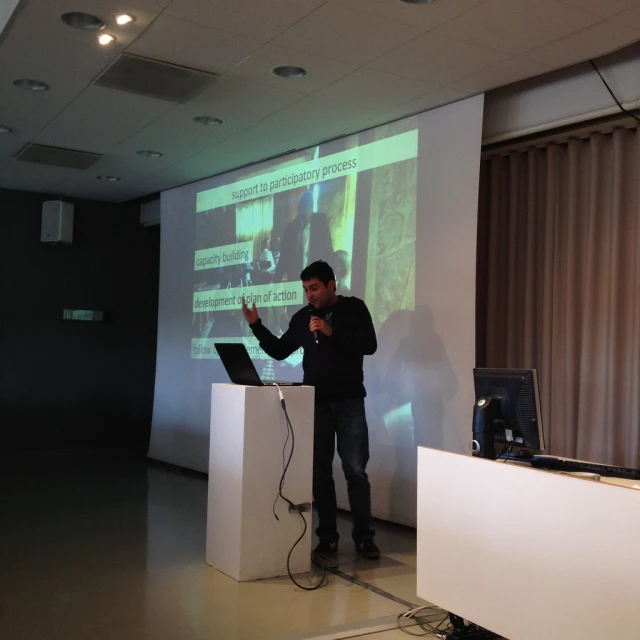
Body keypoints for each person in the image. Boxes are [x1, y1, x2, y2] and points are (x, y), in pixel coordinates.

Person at [241, 260, 380, 561]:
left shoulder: (354, 309)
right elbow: (280, 350)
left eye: (314, 288)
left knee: (355, 471)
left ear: (332, 284)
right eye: (305, 289)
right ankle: (327, 538)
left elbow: (369, 345)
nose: (310, 295)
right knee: (320, 473)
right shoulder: (303, 317)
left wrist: (331, 331)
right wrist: (256, 325)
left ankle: (364, 539)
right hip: (315, 402)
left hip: (349, 403)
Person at [274, 190, 334, 283]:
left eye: (308, 206)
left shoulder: (320, 225)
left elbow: (328, 252)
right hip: (296, 281)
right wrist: (275, 284)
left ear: (311, 207)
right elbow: (283, 258)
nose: (305, 210)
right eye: (303, 207)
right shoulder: (291, 228)